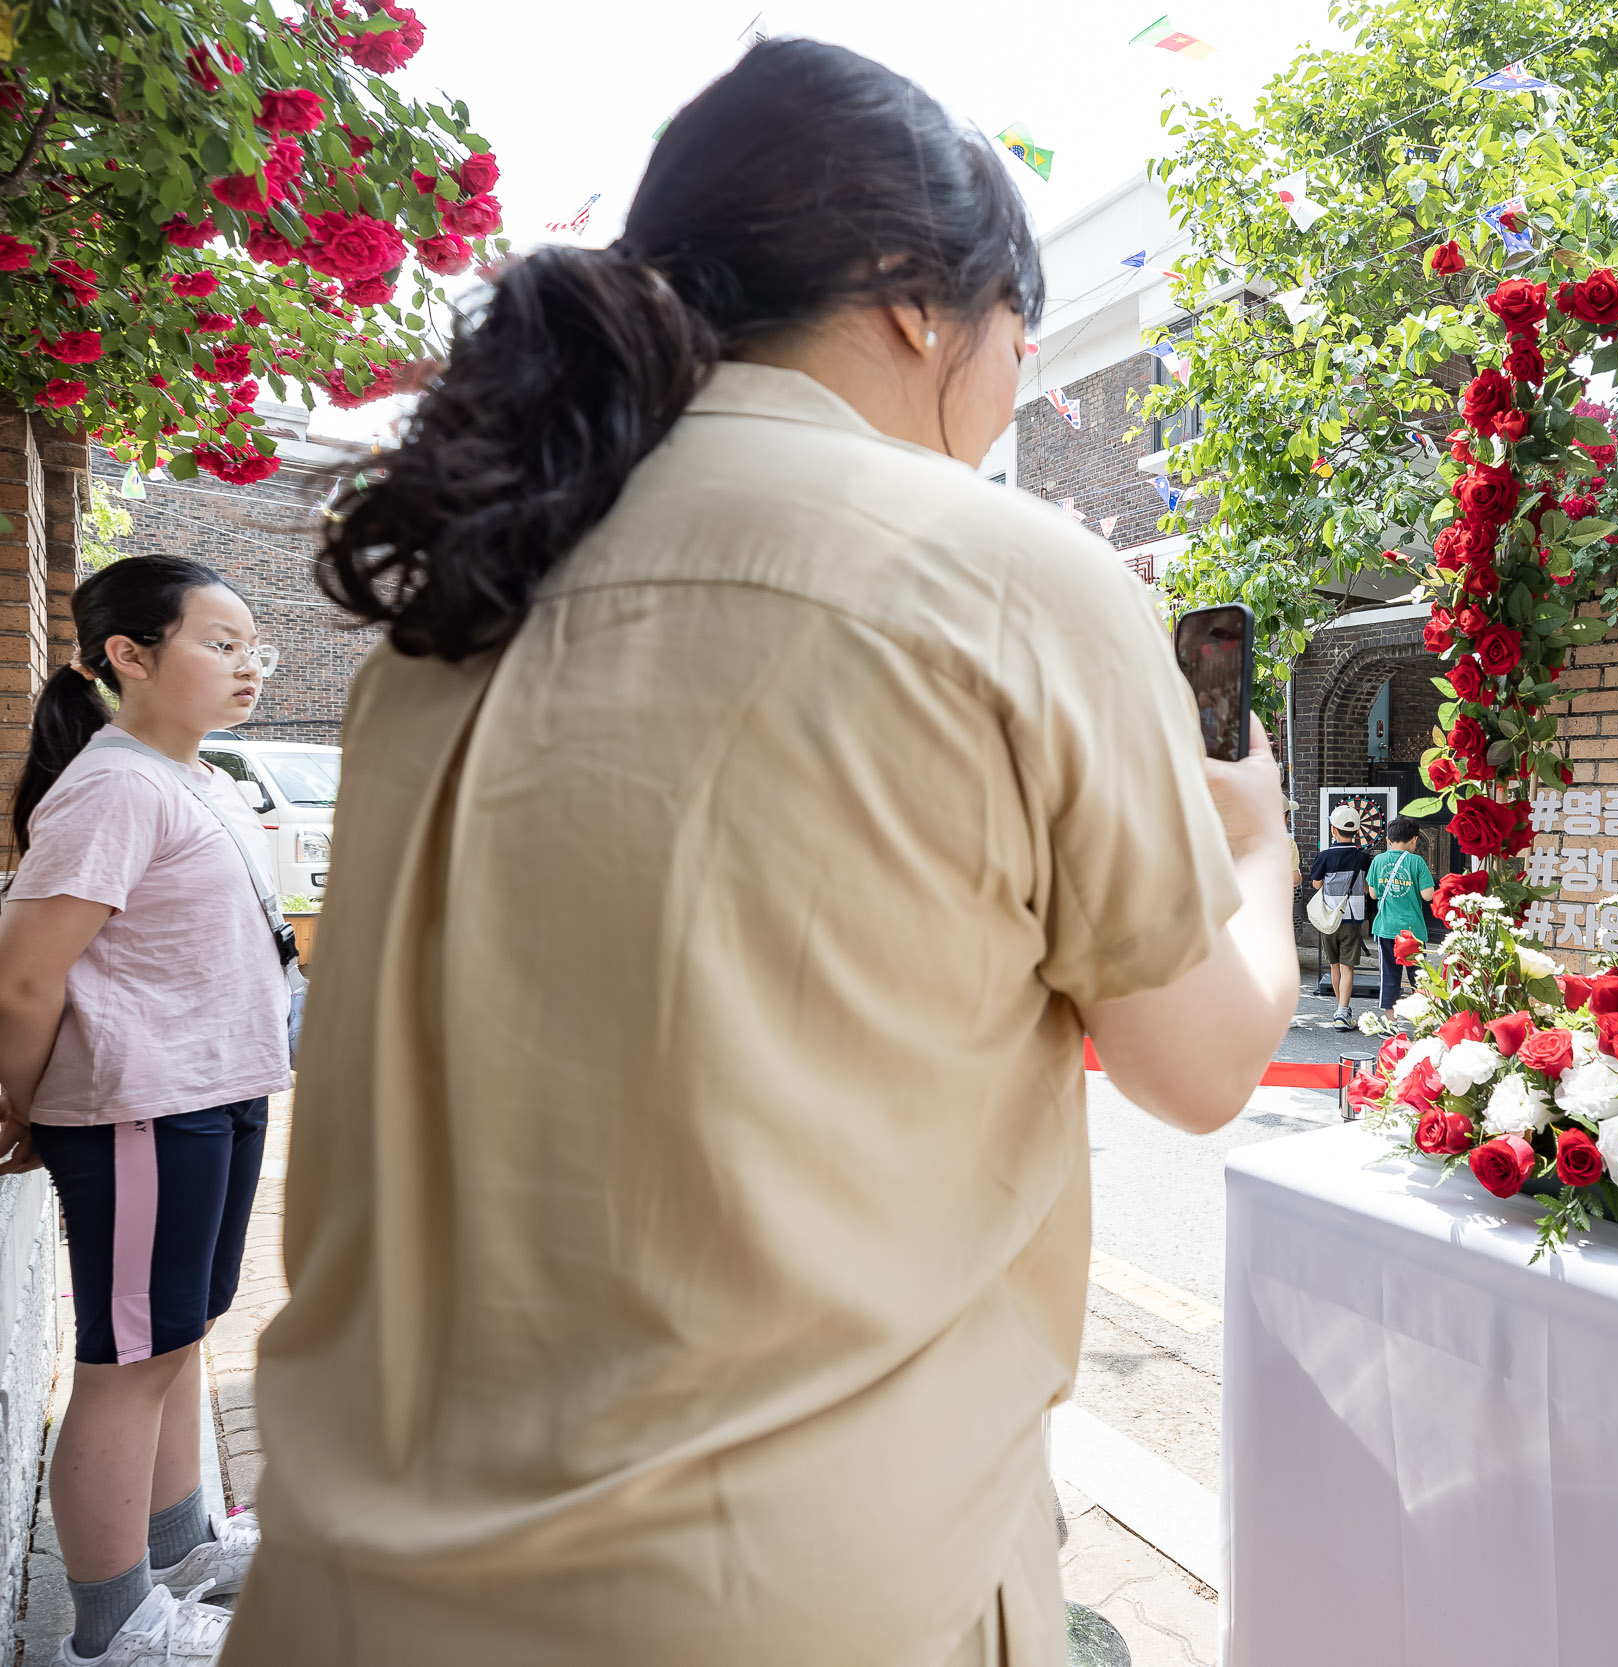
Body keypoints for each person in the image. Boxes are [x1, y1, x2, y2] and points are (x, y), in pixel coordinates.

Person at [221, 41, 1299, 1667]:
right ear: (919, 302)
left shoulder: (454, 614)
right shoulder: (1003, 575)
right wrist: (1263, 854)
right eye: (1017, 331)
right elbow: (1203, 1063)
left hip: (358, 1591)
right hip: (786, 1594)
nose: (1011, 381)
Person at [0, 556, 287, 1667]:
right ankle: (111, 1627)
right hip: (141, 1110)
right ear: (129, 654)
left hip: (212, 1095)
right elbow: (25, 974)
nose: (248, 664)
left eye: (252, 643)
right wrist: (22, 1104)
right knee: (127, 1365)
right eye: (220, 642)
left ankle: (179, 1554)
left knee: (176, 1339)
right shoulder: (116, 785)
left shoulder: (195, 778)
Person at [1306, 802, 1372, 1027]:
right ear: (1356, 831)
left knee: (1334, 965)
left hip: (1329, 919)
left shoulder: (1324, 856)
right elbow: (1366, 888)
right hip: (1352, 920)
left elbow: (1316, 885)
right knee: (1348, 967)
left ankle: (1340, 1010)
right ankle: (1343, 1012)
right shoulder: (1363, 858)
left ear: (1333, 830)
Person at [1367, 818, 1434, 1014]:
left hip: (1386, 928)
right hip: (1412, 931)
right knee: (1418, 977)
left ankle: (1390, 1022)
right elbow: (1427, 895)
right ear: (1414, 840)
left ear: (1388, 839)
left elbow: (1372, 893)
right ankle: (1422, 1021)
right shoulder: (1417, 862)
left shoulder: (1378, 861)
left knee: (1389, 975)